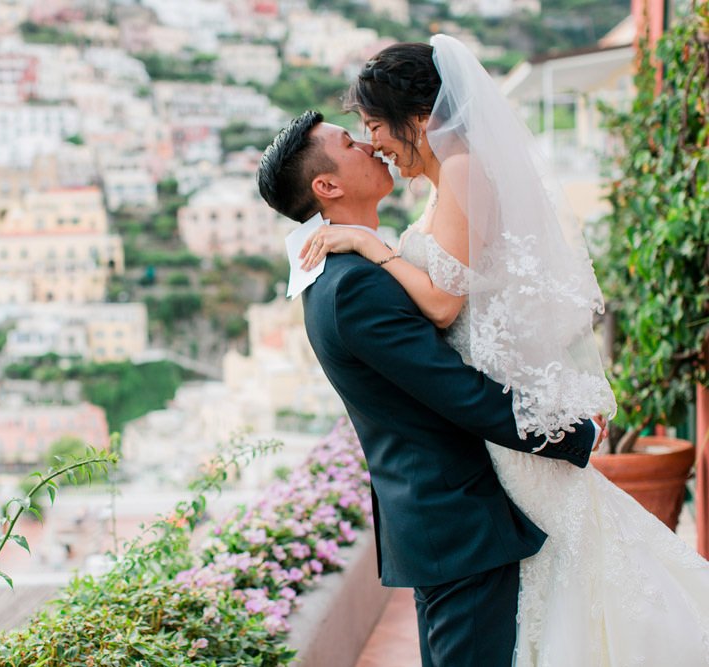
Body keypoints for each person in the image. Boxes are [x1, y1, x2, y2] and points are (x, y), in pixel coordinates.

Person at [297, 35, 709, 666]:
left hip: (505, 428)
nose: (374, 140)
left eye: (376, 126)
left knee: (574, 579)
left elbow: (442, 305)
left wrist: (373, 247)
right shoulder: (442, 182)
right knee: (558, 587)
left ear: (422, 117)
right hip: (492, 435)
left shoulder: (460, 169)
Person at [256, 110, 606, 667]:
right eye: (350, 142)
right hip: (455, 523)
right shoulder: (353, 288)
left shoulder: (350, 273)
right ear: (327, 186)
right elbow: (457, 391)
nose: (370, 146)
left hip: (445, 524)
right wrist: (570, 434)